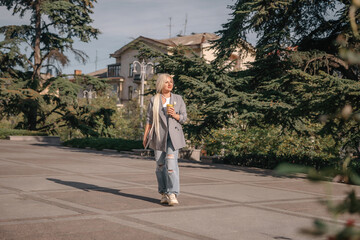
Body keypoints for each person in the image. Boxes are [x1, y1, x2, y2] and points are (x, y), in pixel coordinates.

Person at [143, 73, 187, 206]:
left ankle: (172, 193)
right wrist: (145, 136)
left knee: (171, 166)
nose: (170, 84)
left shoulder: (178, 99)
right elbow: (149, 119)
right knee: (160, 166)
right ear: (161, 84)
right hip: (158, 136)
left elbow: (184, 117)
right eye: (167, 82)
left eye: (171, 82)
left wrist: (175, 115)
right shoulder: (154, 100)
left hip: (173, 137)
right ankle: (163, 193)